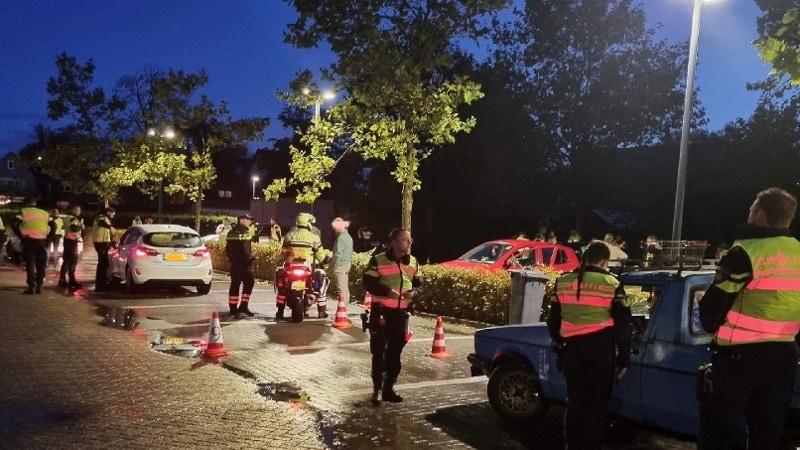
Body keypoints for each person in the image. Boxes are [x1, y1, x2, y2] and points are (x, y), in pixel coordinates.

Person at [697, 187, 800, 450]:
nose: (748, 213)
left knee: (720, 434)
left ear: (762, 216)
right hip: (784, 358)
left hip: (739, 361)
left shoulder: (745, 252)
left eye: (752, 209)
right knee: (766, 436)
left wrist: (707, 314)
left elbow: (712, 310)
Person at [546, 241, 632, 450]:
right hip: (601, 353)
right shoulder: (611, 283)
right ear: (604, 261)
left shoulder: (564, 281)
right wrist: (624, 359)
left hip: (573, 351)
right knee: (595, 407)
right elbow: (623, 326)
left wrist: (561, 343)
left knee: (574, 403)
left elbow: (552, 321)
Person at [363, 228, 422, 405]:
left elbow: (420, 285)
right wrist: (386, 292)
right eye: (405, 240)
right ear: (394, 242)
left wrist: (414, 293)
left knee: (395, 355)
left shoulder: (413, 262)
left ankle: (389, 388)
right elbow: (368, 282)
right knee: (379, 352)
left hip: (400, 315)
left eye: (410, 240)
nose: (410, 243)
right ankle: (377, 390)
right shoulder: (378, 259)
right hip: (381, 313)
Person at [279, 213, 328, 319]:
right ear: (308, 224)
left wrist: (284, 259)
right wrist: (324, 259)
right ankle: (322, 311)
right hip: (308, 266)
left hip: (291, 266)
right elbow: (320, 255)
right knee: (320, 284)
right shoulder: (314, 237)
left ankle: (280, 311)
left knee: (282, 287)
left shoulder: (289, 235)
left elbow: (283, 253)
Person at [12, 197, 52, 294]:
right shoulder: (44, 213)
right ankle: (39, 285)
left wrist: (21, 236)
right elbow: (53, 225)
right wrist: (48, 238)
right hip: (41, 242)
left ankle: (32, 286)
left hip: (29, 242)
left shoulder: (23, 212)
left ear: (26, 204)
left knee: (30, 264)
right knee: (41, 265)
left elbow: (14, 224)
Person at [225, 213, 256, 318]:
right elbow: (245, 249)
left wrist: (231, 259)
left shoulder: (230, 233)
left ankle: (233, 308)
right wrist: (251, 258)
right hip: (245, 265)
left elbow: (228, 249)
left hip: (234, 265)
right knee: (249, 283)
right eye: (248, 220)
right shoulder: (245, 233)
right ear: (241, 220)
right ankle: (243, 306)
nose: (250, 222)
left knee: (234, 285)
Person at [59, 203, 84, 291]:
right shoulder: (72, 218)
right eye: (78, 210)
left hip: (69, 241)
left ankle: (65, 280)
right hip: (71, 242)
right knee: (72, 261)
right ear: (73, 210)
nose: (79, 212)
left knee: (67, 261)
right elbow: (74, 228)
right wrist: (81, 227)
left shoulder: (69, 218)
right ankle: (70, 281)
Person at [92, 207, 116, 292]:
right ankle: (100, 286)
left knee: (104, 264)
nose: (113, 216)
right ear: (109, 212)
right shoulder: (101, 217)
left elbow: (106, 234)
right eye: (113, 214)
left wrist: (111, 243)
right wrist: (110, 227)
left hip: (104, 243)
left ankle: (102, 284)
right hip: (100, 243)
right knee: (102, 264)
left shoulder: (106, 219)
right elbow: (101, 223)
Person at [331, 217, 353, 303]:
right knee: (345, 288)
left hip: (340, 266)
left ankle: (342, 311)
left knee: (341, 290)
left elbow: (338, 253)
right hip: (346, 264)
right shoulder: (348, 237)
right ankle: (344, 309)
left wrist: (333, 265)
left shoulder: (340, 238)